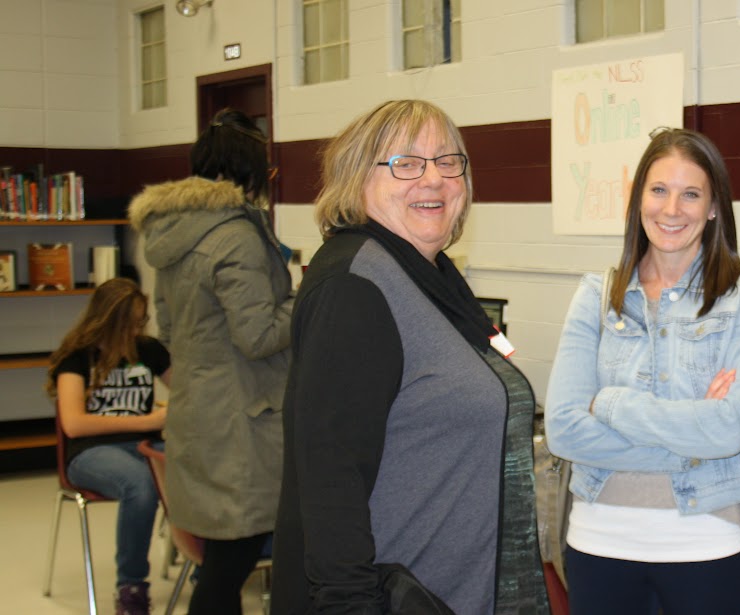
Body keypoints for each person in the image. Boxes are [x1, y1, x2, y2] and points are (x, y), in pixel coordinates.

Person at [271, 99, 550, 615]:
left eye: (448, 161)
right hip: (396, 597)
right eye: (405, 162)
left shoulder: (432, 274)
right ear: (356, 181)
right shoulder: (355, 288)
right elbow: (330, 481)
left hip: (458, 587)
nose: (433, 179)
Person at [543, 128, 740, 615]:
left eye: (691, 194)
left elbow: (731, 429)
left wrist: (610, 405)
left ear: (714, 207)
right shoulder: (596, 294)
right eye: (659, 190)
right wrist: (693, 435)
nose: (672, 210)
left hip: (708, 543)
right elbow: (564, 429)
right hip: (599, 543)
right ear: (639, 200)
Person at [128, 108, 293, 615]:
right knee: (230, 566)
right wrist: (309, 299)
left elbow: (170, 330)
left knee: (222, 562)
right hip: (242, 424)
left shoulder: (170, 232)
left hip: (197, 412)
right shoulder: (237, 236)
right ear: (249, 169)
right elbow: (259, 333)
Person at [46, 277, 170, 615]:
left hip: (143, 444)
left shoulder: (149, 350)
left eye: (140, 321)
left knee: (199, 468)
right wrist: (147, 421)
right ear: (108, 320)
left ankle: (209, 563)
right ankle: (131, 586)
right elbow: (74, 423)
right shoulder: (76, 358)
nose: (136, 330)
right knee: (140, 486)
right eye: (129, 323)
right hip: (90, 453)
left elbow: (188, 391)